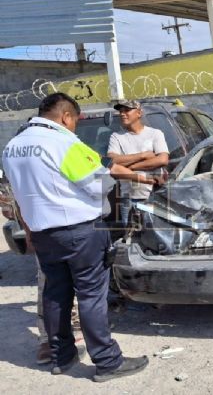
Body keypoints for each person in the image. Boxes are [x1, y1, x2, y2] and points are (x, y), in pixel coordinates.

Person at [1, 92, 149, 382]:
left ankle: (62, 356)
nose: (74, 129)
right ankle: (107, 362)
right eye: (75, 123)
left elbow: (16, 193)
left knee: (56, 294)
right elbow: (98, 183)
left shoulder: (12, 146)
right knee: (91, 296)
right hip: (79, 232)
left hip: (43, 233)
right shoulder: (64, 143)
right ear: (66, 116)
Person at [107, 100, 169, 226]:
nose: (122, 114)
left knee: (156, 237)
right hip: (129, 199)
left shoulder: (154, 134)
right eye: (120, 111)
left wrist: (128, 166)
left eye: (127, 110)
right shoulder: (117, 137)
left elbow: (162, 159)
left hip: (154, 196)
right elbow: (111, 162)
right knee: (132, 240)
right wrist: (144, 155)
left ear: (139, 113)